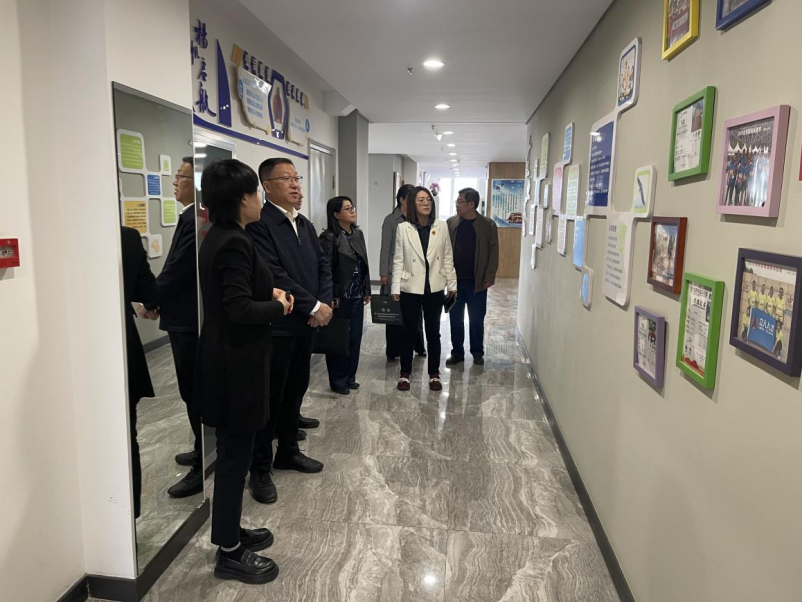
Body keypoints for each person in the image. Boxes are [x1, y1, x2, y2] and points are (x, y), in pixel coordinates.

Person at [195, 159, 290, 584]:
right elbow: (236, 308)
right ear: (240, 199)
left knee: (235, 455)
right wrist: (278, 306)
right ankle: (230, 553)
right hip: (235, 368)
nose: (260, 199)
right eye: (255, 192)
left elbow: (233, 293)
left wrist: (266, 290)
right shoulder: (233, 242)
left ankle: (229, 532)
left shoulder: (223, 235)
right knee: (234, 459)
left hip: (230, 361)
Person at [246, 157, 331, 506]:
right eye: (287, 179)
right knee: (271, 397)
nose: (296, 184)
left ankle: (288, 451)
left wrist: (321, 305)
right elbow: (273, 274)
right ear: (267, 186)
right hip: (278, 326)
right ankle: (260, 468)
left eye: (297, 178)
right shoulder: (260, 225)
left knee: (296, 390)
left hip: (305, 324)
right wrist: (313, 306)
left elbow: (323, 265)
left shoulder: (304, 224)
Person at [149, 157, 204, 499]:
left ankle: (203, 459)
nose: (175, 183)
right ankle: (201, 447)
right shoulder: (191, 216)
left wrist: (150, 297)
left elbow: (178, 269)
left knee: (195, 390)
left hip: (188, 319)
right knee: (191, 390)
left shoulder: (196, 219)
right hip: (184, 316)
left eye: (180, 177)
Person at [391, 186, 457, 391]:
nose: (426, 203)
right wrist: (395, 286)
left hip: (434, 287)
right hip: (410, 286)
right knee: (409, 331)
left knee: (433, 332)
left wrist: (452, 283)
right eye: (420, 200)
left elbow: (447, 256)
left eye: (428, 199)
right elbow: (398, 259)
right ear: (412, 204)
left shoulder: (441, 226)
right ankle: (405, 374)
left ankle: (434, 374)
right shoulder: (403, 228)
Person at [120, 226, 157, 521]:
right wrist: (150, 304)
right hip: (121, 347)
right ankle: (127, 516)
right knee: (125, 435)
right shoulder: (127, 237)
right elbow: (146, 290)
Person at [319, 196, 371, 395]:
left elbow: (364, 263)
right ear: (336, 214)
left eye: (352, 207)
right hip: (340, 296)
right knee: (338, 339)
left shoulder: (358, 233)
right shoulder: (329, 237)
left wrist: (366, 289)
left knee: (355, 337)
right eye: (347, 209)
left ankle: (350, 376)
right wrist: (331, 295)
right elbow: (325, 269)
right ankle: (338, 379)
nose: (352, 211)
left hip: (356, 294)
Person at [445, 187, 499, 367]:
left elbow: (494, 252)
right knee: (455, 320)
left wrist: (490, 275)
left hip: (478, 282)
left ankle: (477, 353)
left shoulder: (488, 225)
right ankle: (457, 353)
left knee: (476, 320)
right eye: (457, 202)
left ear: (471, 204)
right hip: (455, 283)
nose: (457, 205)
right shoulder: (451, 223)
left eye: (460, 202)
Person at [379, 184, 426, 361]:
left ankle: (418, 346)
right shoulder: (391, 220)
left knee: (415, 311)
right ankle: (393, 350)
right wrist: (383, 273)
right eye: (411, 198)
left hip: (415, 271)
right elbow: (385, 247)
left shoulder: (417, 218)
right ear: (402, 199)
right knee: (394, 312)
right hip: (395, 271)